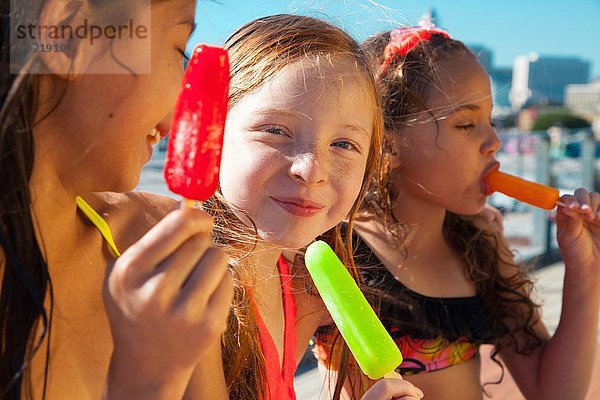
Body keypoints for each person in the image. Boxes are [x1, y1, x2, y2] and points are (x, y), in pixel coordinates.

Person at [314, 22, 600, 399]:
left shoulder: (481, 243)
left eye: (491, 120)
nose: (494, 142)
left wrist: (586, 271)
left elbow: (554, 393)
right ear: (386, 143)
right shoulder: (334, 251)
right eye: (466, 124)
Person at [182, 14, 424, 400]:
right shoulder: (187, 294)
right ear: (210, 130)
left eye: (344, 144)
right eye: (276, 131)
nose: (311, 171)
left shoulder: (297, 290)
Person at [0, 1, 233, 399]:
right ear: (71, 32)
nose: (183, 102)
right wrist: (147, 384)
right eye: (179, 48)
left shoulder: (150, 245)